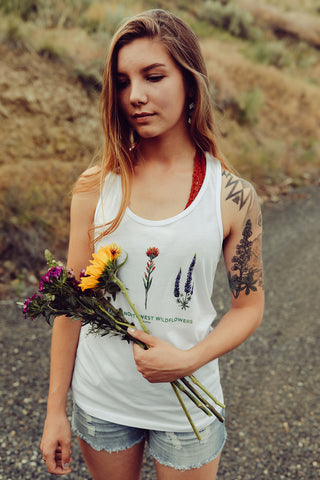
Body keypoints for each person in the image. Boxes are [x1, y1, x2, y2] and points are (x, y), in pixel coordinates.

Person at [40, 9, 264, 480]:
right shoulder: (95, 187)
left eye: (153, 76)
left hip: (188, 412)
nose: (135, 96)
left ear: (189, 82)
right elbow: (72, 302)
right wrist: (54, 409)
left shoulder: (232, 196)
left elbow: (248, 308)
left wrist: (187, 360)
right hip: (103, 401)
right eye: (122, 82)